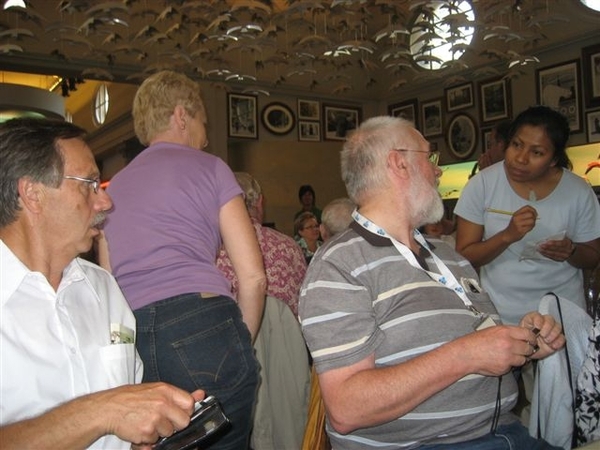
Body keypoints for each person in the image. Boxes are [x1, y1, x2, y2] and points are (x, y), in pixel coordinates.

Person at [299, 115, 566, 449]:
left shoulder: (449, 255)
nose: (439, 171)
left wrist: (523, 342)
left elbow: (477, 345)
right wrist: (465, 355)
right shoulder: (339, 265)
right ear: (399, 163)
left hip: (506, 434)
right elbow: (346, 409)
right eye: (430, 158)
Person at [0, 117, 204, 449]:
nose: (106, 202)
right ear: (32, 194)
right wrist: (103, 411)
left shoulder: (104, 289)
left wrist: (152, 428)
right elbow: (110, 412)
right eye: (89, 184)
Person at [100, 71, 266, 450]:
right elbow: (253, 277)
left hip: (134, 336)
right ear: (180, 116)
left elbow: (107, 281)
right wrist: (241, 340)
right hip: (204, 326)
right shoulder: (211, 167)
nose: (205, 137)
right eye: (203, 123)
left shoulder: (116, 185)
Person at [455, 105, 600, 326]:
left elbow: (592, 256)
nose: (521, 158)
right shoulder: (482, 185)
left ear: (553, 159)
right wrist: (506, 236)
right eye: (516, 145)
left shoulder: (578, 190)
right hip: (502, 315)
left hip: (562, 314)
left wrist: (570, 250)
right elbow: (464, 256)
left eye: (537, 152)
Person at [217, 171, 307, 317]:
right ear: (259, 202)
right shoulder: (290, 247)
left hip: (234, 336)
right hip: (287, 337)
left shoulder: (210, 253)